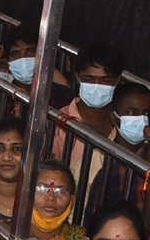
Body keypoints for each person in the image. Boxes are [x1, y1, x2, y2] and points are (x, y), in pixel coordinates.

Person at [50, 44, 125, 189]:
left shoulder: (126, 125)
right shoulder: (58, 121)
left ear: (117, 80)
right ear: (78, 77)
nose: (97, 86)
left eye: (105, 80)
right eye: (89, 79)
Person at [30, 160, 88, 240]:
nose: (51, 198)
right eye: (42, 189)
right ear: (27, 192)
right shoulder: (6, 230)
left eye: (60, 191)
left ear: (72, 200)